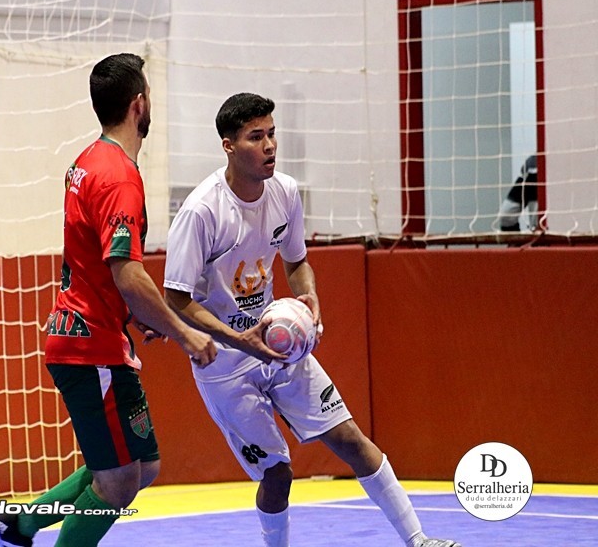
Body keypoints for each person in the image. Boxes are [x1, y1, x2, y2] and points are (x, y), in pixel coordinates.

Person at [163, 92, 462, 547]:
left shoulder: (284, 192)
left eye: (272, 134)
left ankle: (419, 540)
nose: (269, 145)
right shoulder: (202, 211)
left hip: (278, 343)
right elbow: (176, 299)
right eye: (255, 137)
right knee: (277, 473)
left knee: (350, 439)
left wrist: (309, 297)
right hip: (225, 363)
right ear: (229, 146)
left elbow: (297, 261)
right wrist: (239, 340)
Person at [0, 53, 216, 547]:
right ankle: (23, 527)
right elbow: (127, 272)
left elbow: (96, 263)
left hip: (97, 338)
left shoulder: (86, 162)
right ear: (139, 104)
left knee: (143, 466)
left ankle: (18, 524)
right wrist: (185, 333)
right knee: (116, 483)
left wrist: (135, 315)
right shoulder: (118, 177)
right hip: (90, 348)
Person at [497, 154, 539, 231]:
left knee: (537, 225)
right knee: (506, 216)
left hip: (547, 172)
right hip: (530, 171)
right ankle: (516, 239)